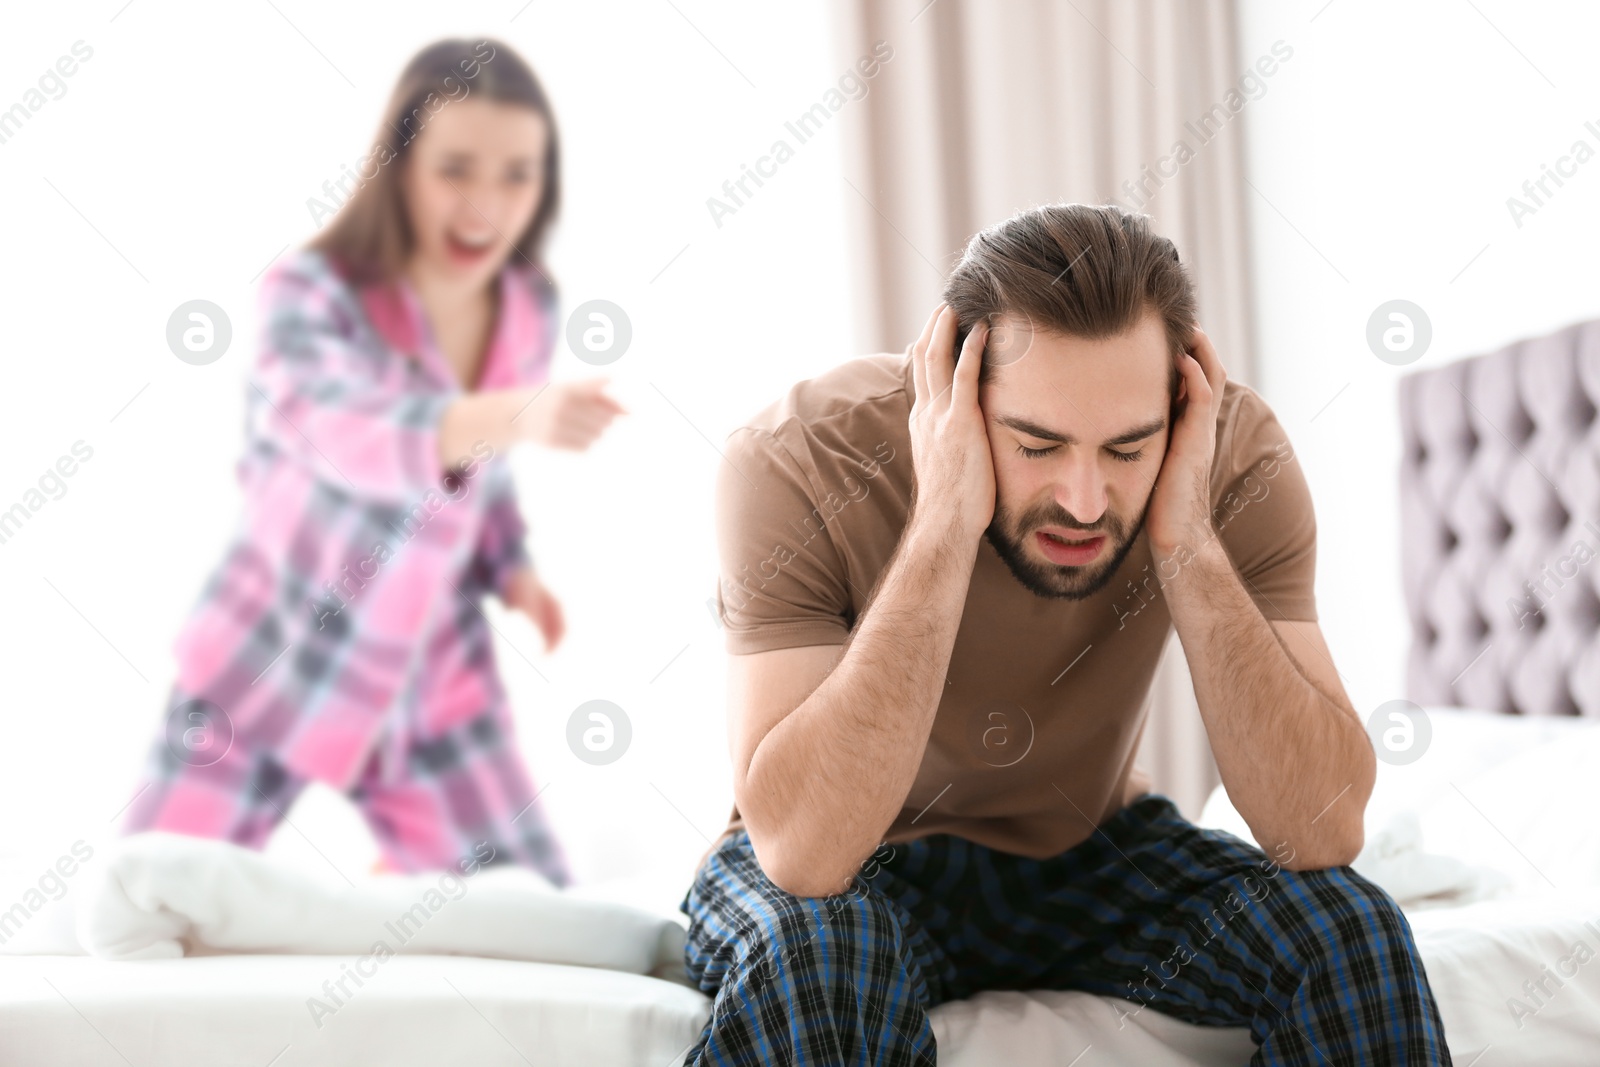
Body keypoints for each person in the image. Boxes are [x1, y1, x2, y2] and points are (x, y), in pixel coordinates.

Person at [679, 203, 1451, 1064]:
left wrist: (1187, 537)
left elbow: (1323, 828)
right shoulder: (799, 456)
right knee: (817, 963)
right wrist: (942, 523)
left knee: (1348, 934)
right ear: (958, 393)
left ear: (1177, 402)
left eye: (1127, 449)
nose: (1084, 501)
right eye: (1036, 444)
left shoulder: (1230, 455)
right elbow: (803, 851)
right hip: (851, 857)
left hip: (1088, 852)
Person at [120, 38, 624, 886]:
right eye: (454, 169)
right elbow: (341, 433)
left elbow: (487, 472)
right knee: (145, 898)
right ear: (399, 167)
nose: (486, 207)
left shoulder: (529, 303)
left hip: (432, 679)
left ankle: (393, 895)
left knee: (537, 919)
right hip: (274, 652)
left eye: (517, 175)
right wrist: (518, 413)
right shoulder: (309, 291)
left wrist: (514, 567)